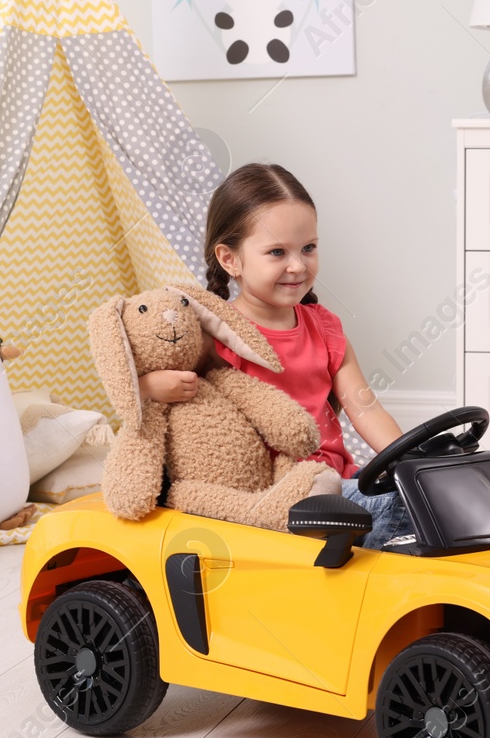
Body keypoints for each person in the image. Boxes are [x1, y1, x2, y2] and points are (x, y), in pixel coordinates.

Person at [136, 162, 414, 546]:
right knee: (404, 514)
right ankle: (365, 569)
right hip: (272, 496)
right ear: (230, 259)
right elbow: (143, 390)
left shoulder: (325, 327)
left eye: (309, 248)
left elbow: (364, 408)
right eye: (277, 252)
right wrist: (151, 385)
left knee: (418, 497)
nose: (298, 265)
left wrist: (412, 462)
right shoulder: (217, 335)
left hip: (334, 484)